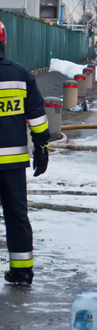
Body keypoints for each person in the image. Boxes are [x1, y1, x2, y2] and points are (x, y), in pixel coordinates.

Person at [0, 21, 50, 286]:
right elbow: (38, 118)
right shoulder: (20, 75)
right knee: (17, 216)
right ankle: (21, 272)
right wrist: (41, 148)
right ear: (4, 42)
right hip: (13, 164)